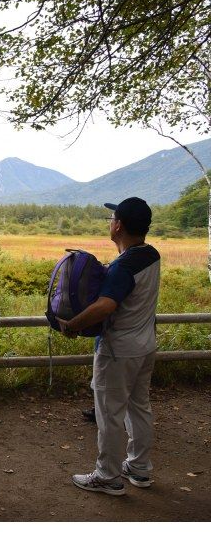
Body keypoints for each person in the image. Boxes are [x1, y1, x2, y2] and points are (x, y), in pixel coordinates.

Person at [58, 197, 160, 496]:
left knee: (110, 414)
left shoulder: (123, 267)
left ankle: (107, 476)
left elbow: (105, 306)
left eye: (112, 218)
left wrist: (73, 324)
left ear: (119, 226)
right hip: (145, 346)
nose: (110, 222)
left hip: (118, 351)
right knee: (139, 408)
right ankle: (139, 469)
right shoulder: (151, 255)